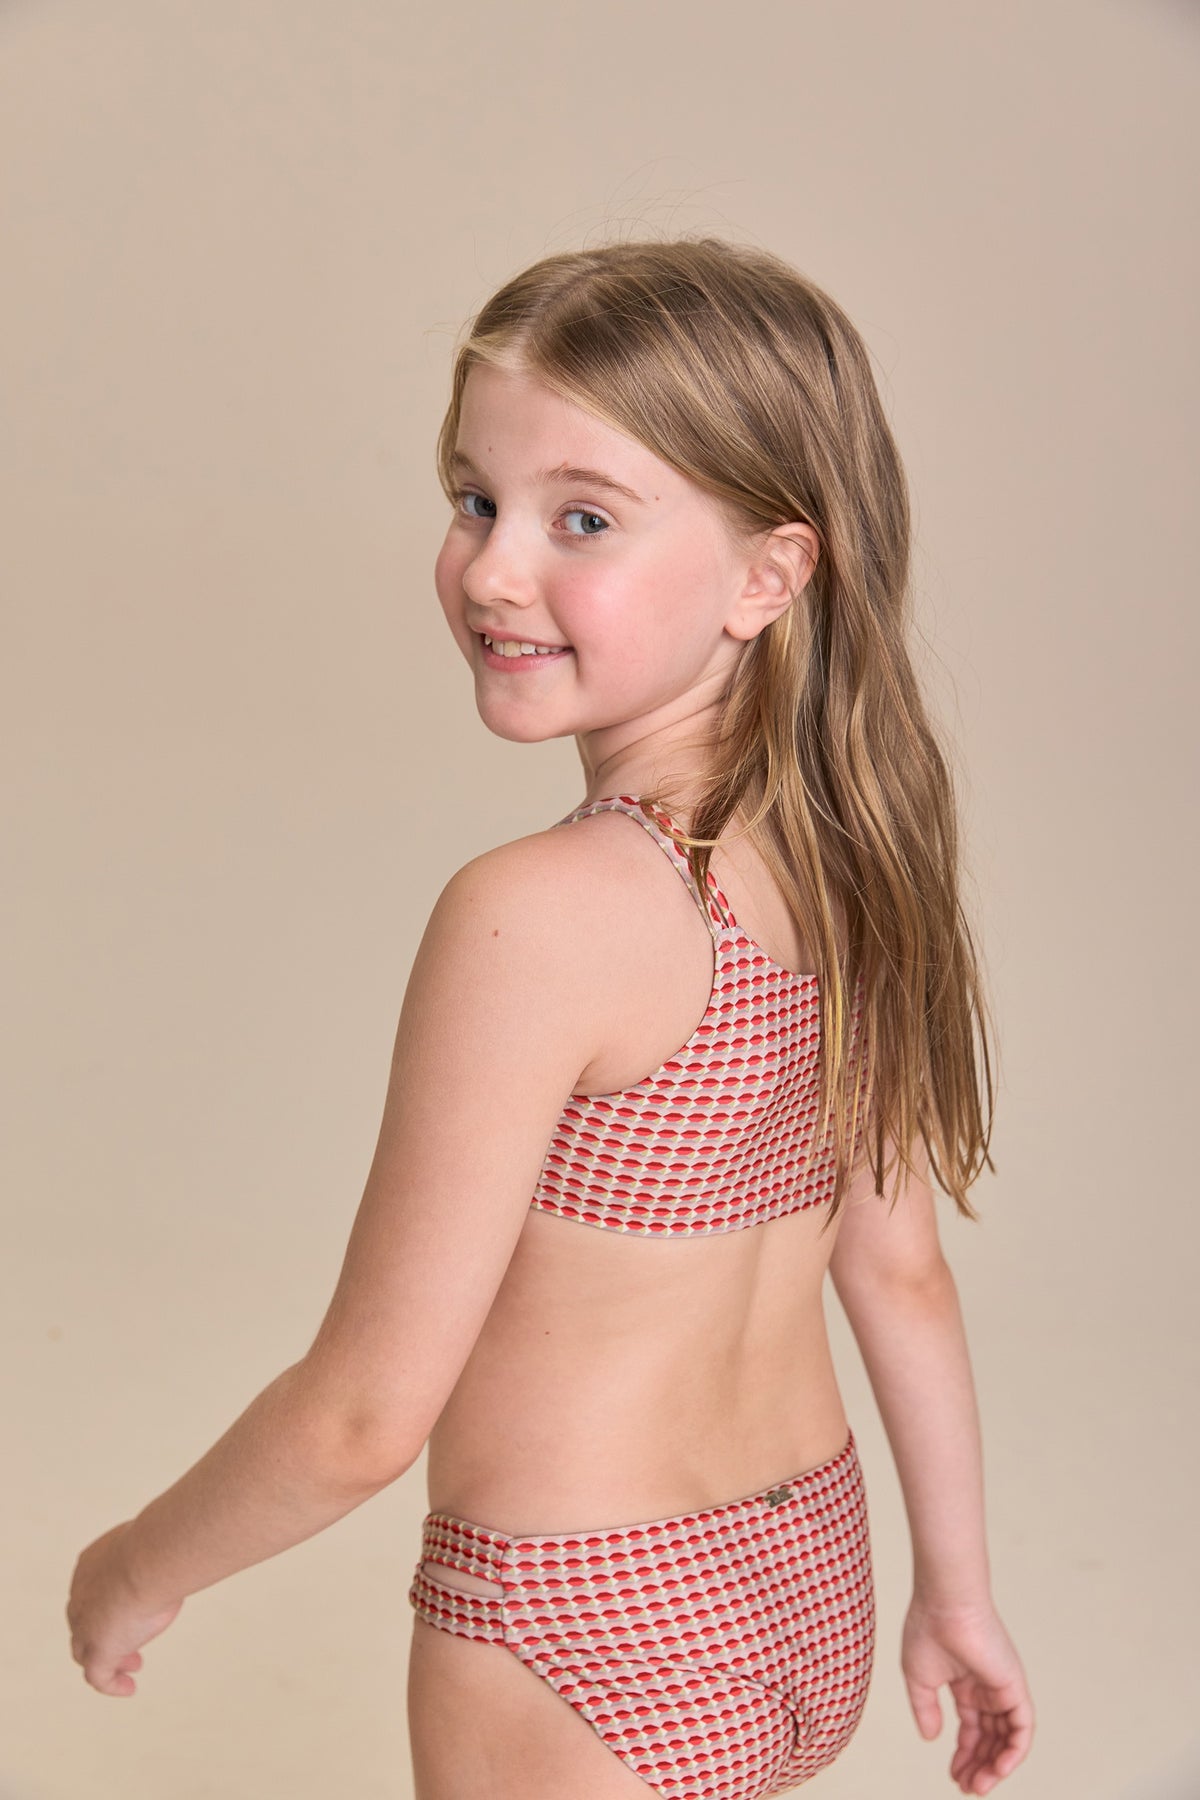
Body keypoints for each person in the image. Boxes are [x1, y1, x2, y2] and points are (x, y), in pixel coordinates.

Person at [67, 235, 1034, 1799]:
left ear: (769, 574)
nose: (493, 571)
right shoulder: (855, 863)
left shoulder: (540, 916)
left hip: (580, 1625)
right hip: (810, 1580)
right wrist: (960, 1590)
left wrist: (135, 1564)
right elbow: (899, 1268)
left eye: (582, 518)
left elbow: (363, 1415)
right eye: (474, 499)